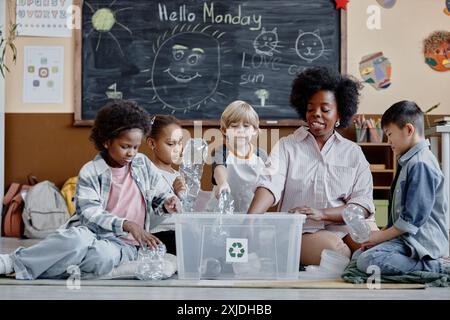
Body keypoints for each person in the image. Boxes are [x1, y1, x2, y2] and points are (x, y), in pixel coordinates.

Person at [0, 100, 181, 279]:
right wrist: (126, 224)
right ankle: (13, 262)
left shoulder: (142, 164)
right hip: (90, 233)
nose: (131, 153)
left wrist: (168, 202)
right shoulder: (91, 171)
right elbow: (89, 213)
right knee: (77, 241)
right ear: (106, 142)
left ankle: (32, 267)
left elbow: (160, 196)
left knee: (103, 259)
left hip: (124, 245)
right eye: (125, 146)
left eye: (135, 147)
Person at [248, 66, 377, 265]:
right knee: (337, 254)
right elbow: (269, 184)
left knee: (378, 254)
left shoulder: (353, 153)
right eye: (310, 109)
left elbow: (362, 204)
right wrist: (250, 221)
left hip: (347, 226)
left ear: (340, 114)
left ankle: (361, 260)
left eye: (325, 109)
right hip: (302, 230)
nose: (316, 114)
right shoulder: (287, 146)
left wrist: (323, 214)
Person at [356, 101, 450, 275]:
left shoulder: (421, 163)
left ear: (408, 130)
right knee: (358, 255)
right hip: (406, 239)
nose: (388, 141)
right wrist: (380, 235)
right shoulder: (408, 161)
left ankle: (438, 266)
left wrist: (379, 237)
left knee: (368, 260)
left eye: (390, 134)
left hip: (421, 243)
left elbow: (411, 220)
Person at [209, 100, 268, 212]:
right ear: (224, 130)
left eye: (246, 126)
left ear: (254, 130)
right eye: (235, 126)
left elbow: (268, 181)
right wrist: (223, 183)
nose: (240, 131)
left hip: (250, 213)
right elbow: (219, 168)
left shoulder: (261, 155)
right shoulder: (221, 151)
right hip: (220, 213)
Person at [146, 115, 186, 254]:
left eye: (180, 143)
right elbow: (144, 214)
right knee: (180, 242)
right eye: (170, 144)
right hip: (158, 233)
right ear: (152, 143)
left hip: (179, 231)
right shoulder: (147, 173)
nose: (177, 149)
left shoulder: (178, 176)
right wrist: (173, 194)